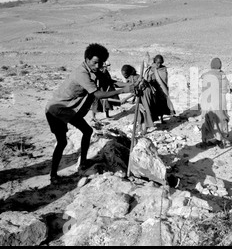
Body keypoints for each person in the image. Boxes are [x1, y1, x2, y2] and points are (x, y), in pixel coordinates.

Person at [45, 44, 134, 183]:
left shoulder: (94, 70)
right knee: (62, 141)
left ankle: (83, 162)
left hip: (69, 110)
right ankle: (53, 176)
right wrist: (123, 91)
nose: (98, 66)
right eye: (95, 62)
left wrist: (130, 86)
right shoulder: (82, 73)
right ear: (86, 59)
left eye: (101, 63)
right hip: (56, 110)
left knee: (87, 131)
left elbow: (110, 82)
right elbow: (98, 94)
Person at [198, 58, 231, 149]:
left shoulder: (205, 75)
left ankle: (205, 140)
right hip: (218, 102)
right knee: (220, 120)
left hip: (205, 101)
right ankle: (220, 140)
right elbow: (225, 90)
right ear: (220, 65)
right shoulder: (222, 75)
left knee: (206, 120)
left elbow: (202, 88)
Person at [121, 64, 157, 134]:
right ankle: (139, 126)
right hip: (139, 93)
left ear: (128, 72)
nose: (123, 76)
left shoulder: (136, 77)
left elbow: (134, 91)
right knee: (138, 109)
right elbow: (134, 90)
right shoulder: (129, 79)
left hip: (145, 92)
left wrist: (125, 99)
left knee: (145, 109)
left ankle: (146, 128)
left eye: (124, 74)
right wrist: (133, 99)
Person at [144, 54, 176, 123]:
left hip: (163, 89)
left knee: (162, 103)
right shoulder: (152, 68)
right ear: (155, 61)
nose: (159, 64)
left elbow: (164, 79)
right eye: (158, 62)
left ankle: (162, 119)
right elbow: (148, 78)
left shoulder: (163, 69)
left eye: (161, 62)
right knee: (155, 104)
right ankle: (153, 119)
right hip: (155, 89)